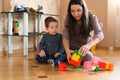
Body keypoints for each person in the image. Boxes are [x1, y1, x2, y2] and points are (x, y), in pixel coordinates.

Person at [63, 0, 104, 65]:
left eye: (79, 10)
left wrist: (89, 45)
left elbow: (100, 34)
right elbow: (65, 36)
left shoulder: (92, 17)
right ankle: (68, 56)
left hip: (83, 50)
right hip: (70, 48)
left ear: (84, 9)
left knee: (88, 57)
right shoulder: (68, 17)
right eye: (72, 11)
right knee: (59, 54)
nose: (76, 14)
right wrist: (67, 50)